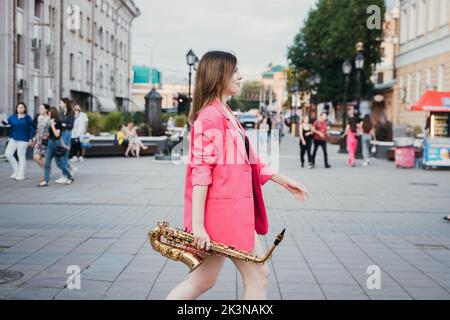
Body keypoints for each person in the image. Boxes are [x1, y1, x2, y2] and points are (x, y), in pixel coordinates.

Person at [167, 51, 309, 300]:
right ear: (218, 76)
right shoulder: (211, 116)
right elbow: (201, 172)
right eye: (234, 71)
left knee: (203, 280)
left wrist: (284, 180)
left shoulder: (224, 112)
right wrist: (198, 226)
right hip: (224, 214)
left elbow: (249, 157)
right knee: (258, 275)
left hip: (227, 212)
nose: (240, 76)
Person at [39, 107, 74, 187]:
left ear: (52, 113)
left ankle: (69, 176)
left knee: (59, 164)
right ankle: (46, 181)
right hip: (50, 143)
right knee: (47, 163)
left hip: (56, 144)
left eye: (49, 112)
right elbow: (53, 134)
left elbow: (57, 135)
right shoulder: (51, 121)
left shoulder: (58, 122)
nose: (48, 114)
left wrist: (52, 126)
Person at [2, 102, 35, 181]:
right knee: (8, 154)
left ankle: (21, 174)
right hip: (13, 138)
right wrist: (4, 122)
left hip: (23, 139)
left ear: (24, 109)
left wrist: (31, 138)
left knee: (21, 156)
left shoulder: (27, 117)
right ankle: (16, 169)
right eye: (18, 107)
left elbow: (31, 129)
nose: (20, 109)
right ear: (16, 109)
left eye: (22, 107)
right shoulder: (13, 117)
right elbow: (6, 122)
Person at [33, 104, 51, 183]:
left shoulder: (49, 119)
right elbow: (38, 129)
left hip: (46, 141)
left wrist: (48, 135)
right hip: (39, 140)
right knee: (36, 157)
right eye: (39, 108)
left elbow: (53, 130)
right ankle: (47, 170)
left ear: (46, 110)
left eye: (41, 108)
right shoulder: (39, 118)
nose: (40, 109)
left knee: (46, 159)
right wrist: (35, 138)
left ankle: (46, 174)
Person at [57, 98, 75, 183]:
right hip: (61, 134)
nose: (60, 104)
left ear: (65, 103)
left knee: (64, 155)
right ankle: (67, 173)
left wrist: (63, 124)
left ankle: (65, 176)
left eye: (61, 103)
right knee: (61, 156)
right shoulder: (61, 113)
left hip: (67, 134)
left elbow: (71, 126)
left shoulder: (71, 113)